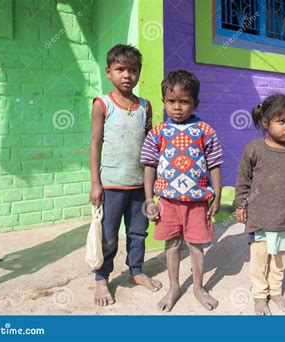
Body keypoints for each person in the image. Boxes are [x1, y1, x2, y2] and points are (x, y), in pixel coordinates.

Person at [141, 70, 223, 312]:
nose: (177, 107)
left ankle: (198, 287)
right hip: (167, 202)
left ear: (195, 102)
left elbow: (215, 164)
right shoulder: (157, 133)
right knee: (172, 245)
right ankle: (174, 286)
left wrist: (216, 195)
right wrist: (149, 199)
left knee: (196, 246)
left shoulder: (205, 131)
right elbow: (149, 166)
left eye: (184, 101)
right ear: (164, 102)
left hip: (197, 202)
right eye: (171, 101)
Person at [89, 44, 162, 306]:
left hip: (139, 185)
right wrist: (95, 183)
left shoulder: (145, 106)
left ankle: (136, 271)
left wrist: (153, 188)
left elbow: (151, 145)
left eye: (133, 70)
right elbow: (95, 143)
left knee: (138, 232)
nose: (127, 75)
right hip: (110, 185)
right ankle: (101, 277)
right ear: (108, 72)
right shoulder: (102, 104)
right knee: (108, 235)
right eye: (120, 69)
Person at [234, 93, 285, 315]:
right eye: (282, 121)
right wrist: (241, 204)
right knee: (260, 259)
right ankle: (260, 296)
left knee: (279, 260)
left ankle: (276, 291)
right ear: (265, 123)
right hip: (259, 217)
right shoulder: (254, 149)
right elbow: (243, 180)